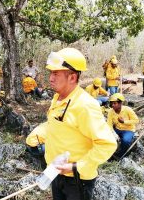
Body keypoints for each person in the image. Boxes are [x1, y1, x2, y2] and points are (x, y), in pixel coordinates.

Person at [45, 47, 117, 200]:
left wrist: (76, 167)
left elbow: (107, 144)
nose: (50, 78)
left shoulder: (85, 105)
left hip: (77, 181)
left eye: (56, 73)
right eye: (51, 73)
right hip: (56, 172)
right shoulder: (57, 98)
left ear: (72, 77)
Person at [107, 93, 139, 158]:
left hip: (128, 130)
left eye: (115, 103)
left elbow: (136, 120)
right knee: (107, 137)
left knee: (126, 141)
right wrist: (113, 133)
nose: (112, 105)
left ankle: (120, 155)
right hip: (117, 129)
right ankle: (109, 153)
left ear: (120, 103)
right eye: (111, 103)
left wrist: (124, 122)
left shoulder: (128, 110)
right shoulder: (111, 111)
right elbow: (109, 124)